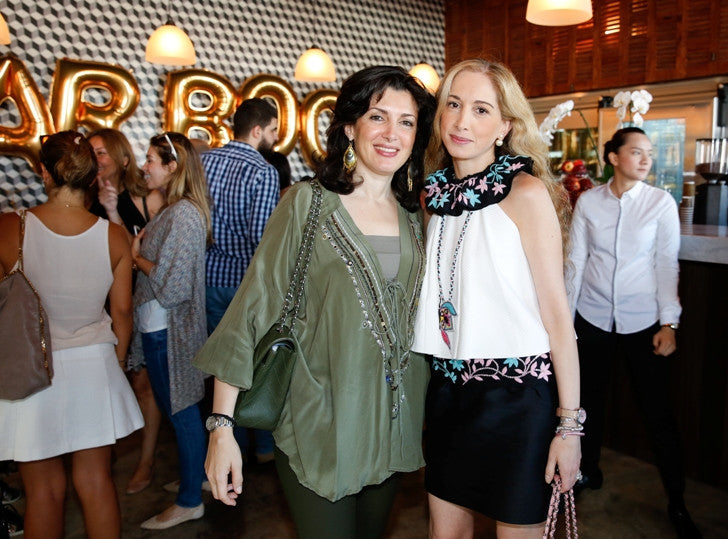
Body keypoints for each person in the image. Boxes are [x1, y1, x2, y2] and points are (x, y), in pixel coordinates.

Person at [194, 65, 436, 539]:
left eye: (406, 122)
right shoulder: (307, 203)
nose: (392, 133)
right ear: (350, 127)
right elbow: (252, 309)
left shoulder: (415, 217)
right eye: (378, 117)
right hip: (319, 420)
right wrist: (222, 428)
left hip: (392, 426)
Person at [412, 59, 581, 537]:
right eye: (453, 104)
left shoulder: (525, 192)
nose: (462, 121)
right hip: (448, 394)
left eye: (481, 110)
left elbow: (558, 319)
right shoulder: (432, 198)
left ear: (506, 126)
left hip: (518, 402)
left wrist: (569, 427)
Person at [0, 130, 143, 538]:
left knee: (43, 491)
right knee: (96, 481)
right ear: (93, 177)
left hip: (29, 369)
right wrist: (118, 363)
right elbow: (122, 312)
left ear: (44, 172)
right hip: (94, 366)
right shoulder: (113, 235)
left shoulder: (10, 227)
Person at [566, 127, 701, 538]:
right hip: (591, 317)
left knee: (658, 411)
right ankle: (587, 472)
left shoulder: (660, 203)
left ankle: (677, 501)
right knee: (587, 403)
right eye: (637, 152)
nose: (646, 160)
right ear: (613, 157)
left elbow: (666, 264)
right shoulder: (589, 201)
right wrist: (565, 322)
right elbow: (576, 262)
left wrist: (669, 323)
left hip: (643, 321)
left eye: (649, 153)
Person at [130, 132, 212, 530]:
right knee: (183, 413)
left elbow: (173, 288)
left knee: (183, 414)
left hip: (169, 331)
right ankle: (196, 478)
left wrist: (136, 259)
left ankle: (190, 500)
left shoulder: (182, 215)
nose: (144, 166)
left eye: (151, 159)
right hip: (161, 327)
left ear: (173, 166)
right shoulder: (176, 210)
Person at [201, 97, 280, 464]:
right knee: (252, 366)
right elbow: (262, 239)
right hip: (243, 284)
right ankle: (260, 448)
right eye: (274, 131)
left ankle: (227, 445)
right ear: (257, 130)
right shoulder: (263, 171)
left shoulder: (204, 162)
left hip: (205, 279)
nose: (275, 139)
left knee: (219, 370)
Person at [87, 128, 165, 495]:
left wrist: (112, 211)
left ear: (122, 158)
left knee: (143, 384)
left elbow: (144, 257)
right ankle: (101, 454)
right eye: (91, 153)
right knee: (102, 382)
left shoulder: (147, 198)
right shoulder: (80, 200)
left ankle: (146, 460)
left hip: (140, 300)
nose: (96, 160)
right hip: (97, 304)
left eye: (102, 152)